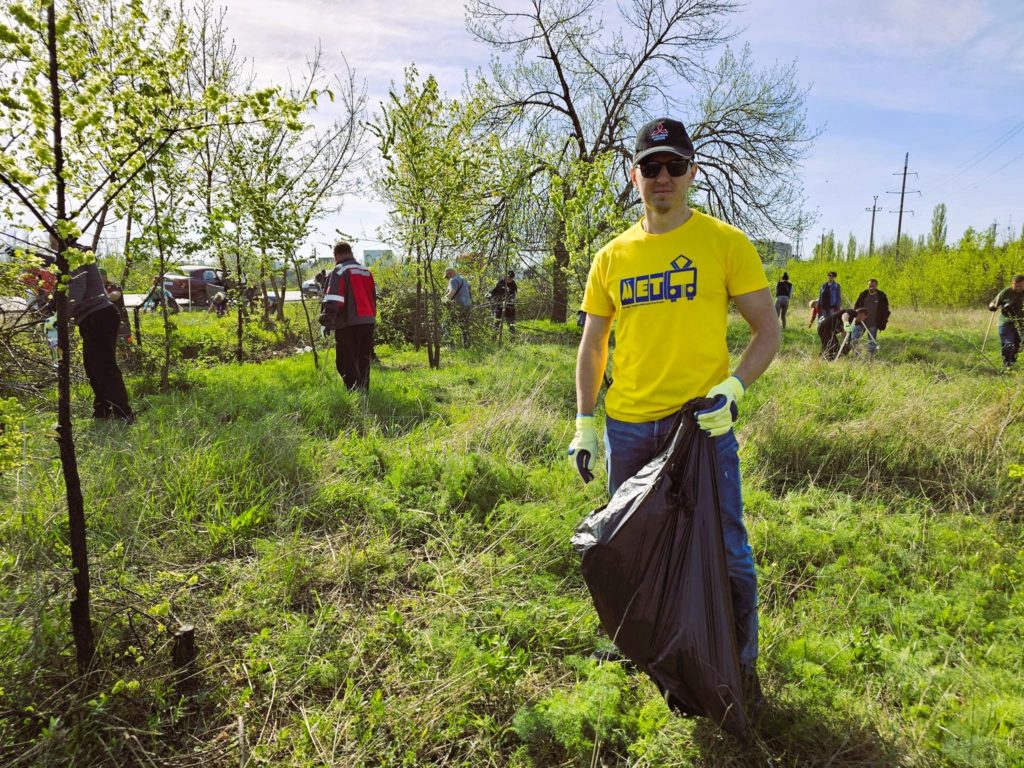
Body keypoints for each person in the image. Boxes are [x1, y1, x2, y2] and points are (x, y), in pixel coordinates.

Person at [566, 117, 780, 706]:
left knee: (726, 547)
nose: (664, 177)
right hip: (630, 427)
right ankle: (650, 656)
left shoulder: (725, 244)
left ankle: (740, 670)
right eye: (652, 166)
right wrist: (586, 421)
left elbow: (768, 330)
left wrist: (732, 390)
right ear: (636, 176)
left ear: (693, 173)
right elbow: (593, 344)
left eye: (675, 166)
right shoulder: (612, 257)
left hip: (700, 426)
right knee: (629, 546)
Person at [67, 255, 134, 421]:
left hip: (98, 317)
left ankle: (123, 414)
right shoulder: (66, 257)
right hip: (93, 317)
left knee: (104, 366)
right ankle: (102, 411)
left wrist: (61, 314)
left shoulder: (75, 256)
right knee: (92, 367)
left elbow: (76, 291)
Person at [320, 241, 376, 390]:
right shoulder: (366, 271)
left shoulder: (339, 271)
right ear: (350, 252)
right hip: (368, 321)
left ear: (336, 255)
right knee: (363, 360)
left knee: (346, 362)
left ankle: (353, 394)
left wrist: (327, 321)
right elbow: (373, 297)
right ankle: (364, 393)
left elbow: (334, 300)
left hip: (348, 323)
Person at [989, 274, 1024, 368]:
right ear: (1012, 284)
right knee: (1009, 344)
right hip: (1006, 322)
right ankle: (1007, 365)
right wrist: (992, 306)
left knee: (1020, 345)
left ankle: (1014, 363)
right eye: (1015, 286)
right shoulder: (1005, 292)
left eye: (1020, 286)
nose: (1018, 288)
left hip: (1022, 323)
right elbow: (993, 302)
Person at [852, 279, 890, 355]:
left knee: (871, 342)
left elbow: (885, 310)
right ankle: (857, 355)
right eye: (870, 286)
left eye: (873, 286)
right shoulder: (863, 294)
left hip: (873, 323)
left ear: (876, 286)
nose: (871, 288)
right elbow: (856, 306)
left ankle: (870, 358)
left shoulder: (881, 296)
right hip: (861, 322)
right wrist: (856, 316)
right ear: (867, 286)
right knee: (854, 339)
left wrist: (882, 322)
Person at [445, 266, 472, 346]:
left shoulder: (453, 280)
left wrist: (444, 299)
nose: (447, 278)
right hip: (467, 306)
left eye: (447, 276)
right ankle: (467, 346)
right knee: (465, 326)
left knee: (447, 324)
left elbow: (452, 292)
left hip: (458, 307)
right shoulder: (463, 279)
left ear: (450, 273)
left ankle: (450, 346)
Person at [487, 270, 518, 335]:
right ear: (506, 276)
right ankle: (494, 338)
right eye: (508, 277)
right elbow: (494, 290)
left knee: (511, 324)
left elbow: (514, 295)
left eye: (511, 278)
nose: (509, 279)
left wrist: (510, 299)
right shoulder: (501, 282)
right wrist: (490, 294)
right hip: (499, 306)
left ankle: (512, 339)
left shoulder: (514, 285)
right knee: (496, 322)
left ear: (513, 278)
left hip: (509, 307)